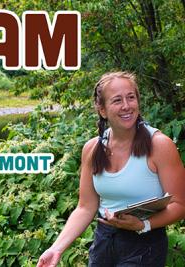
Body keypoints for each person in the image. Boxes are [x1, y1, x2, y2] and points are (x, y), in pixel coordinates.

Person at [37, 71, 185, 267]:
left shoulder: (159, 145)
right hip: (104, 243)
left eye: (131, 97)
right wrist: (56, 248)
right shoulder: (92, 148)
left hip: (145, 245)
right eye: (117, 100)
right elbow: (86, 207)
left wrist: (143, 225)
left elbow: (180, 205)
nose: (126, 106)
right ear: (102, 110)